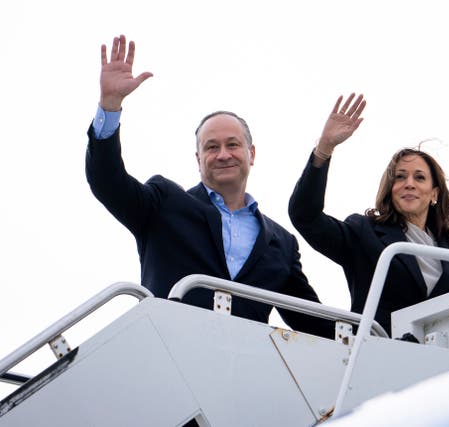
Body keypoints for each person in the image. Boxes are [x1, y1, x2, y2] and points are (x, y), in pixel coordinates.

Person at [85, 34, 331, 337]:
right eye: (212, 147)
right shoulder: (164, 202)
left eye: (233, 145)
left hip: (243, 368)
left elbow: (312, 318)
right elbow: (107, 182)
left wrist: (378, 333)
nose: (223, 154)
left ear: (251, 154)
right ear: (198, 158)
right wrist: (110, 107)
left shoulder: (281, 242)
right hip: (169, 355)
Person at [288, 93, 449, 335]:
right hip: (379, 359)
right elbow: (305, 216)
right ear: (391, 189)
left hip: (444, 366)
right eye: (400, 176)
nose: (409, 183)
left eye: (419, 177)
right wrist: (325, 149)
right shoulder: (364, 234)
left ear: (434, 194)